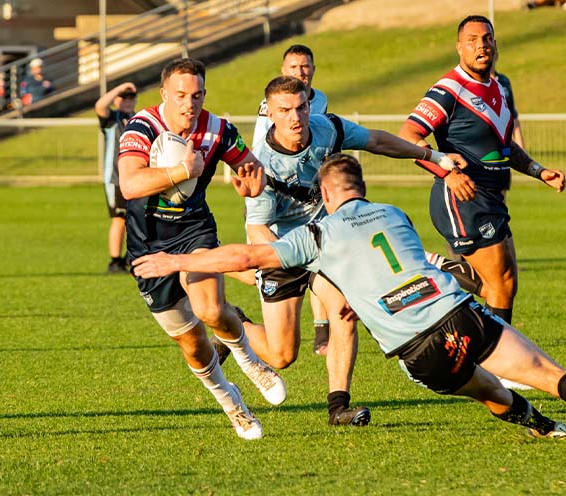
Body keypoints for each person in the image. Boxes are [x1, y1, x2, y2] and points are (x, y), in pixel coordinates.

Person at [133, 154, 566, 448]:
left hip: (420, 350)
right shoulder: (394, 214)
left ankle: (538, 424)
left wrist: (175, 261)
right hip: (456, 313)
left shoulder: (319, 234)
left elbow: (247, 255)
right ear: (361, 186)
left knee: (483, 389)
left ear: (328, 195)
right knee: (543, 369)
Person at [235, 75, 466, 426]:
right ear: (270, 114)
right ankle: (234, 326)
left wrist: (433, 155)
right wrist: (284, 258)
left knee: (343, 311)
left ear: (309, 105)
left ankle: (338, 407)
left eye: (301, 107)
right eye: (284, 111)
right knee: (281, 355)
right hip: (283, 246)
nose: (295, 117)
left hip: (326, 240)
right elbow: (257, 228)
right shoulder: (261, 163)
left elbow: (376, 141)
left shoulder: (328, 128)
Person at [118, 58, 286, 440]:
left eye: (196, 96)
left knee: (209, 309)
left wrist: (252, 184)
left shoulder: (218, 129)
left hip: (194, 230)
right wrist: (183, 171)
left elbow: (251, 166)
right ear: (164, 94)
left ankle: (250, 361)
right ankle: (231, 402)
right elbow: (129, 184)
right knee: (192, 343)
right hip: (147, 243)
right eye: (180, 95)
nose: (188, 104)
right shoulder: (141, 127)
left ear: (204, 95)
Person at [399, 15, 566, 328]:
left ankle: (433, 267)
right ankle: (501, 355)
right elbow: (408, 136)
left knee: (505, 284)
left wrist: (537, 170)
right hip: (463, 197)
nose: (481, 46)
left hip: (492, 197)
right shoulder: (448, 89)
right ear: (459, 47)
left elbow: (503, 145)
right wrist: (448, 172)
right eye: (472, 40)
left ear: (495, 45)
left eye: (487, 39)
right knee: (499, 284)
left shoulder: (498, 88)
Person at [249, 44, 331, 355]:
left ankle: (323, 332)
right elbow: (262, 151)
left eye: (306, 66)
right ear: (283, 70)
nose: (301, 72)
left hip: (312, 201)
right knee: (282, 353)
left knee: (323, 266)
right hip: (273, 201)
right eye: (294, 67)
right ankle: (234, 318)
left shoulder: (320, 100)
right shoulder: (269, 106)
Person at [95, 82, 138, 274]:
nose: (127, 101)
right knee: (119, 218)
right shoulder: (113, 119)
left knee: (136, 217)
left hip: (136, 176)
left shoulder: (139, 119)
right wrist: (120, 88)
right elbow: (100, 106)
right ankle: (115, 261)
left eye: (131, 97)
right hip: (116, 178)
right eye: (123, 97)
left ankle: (131, 255)